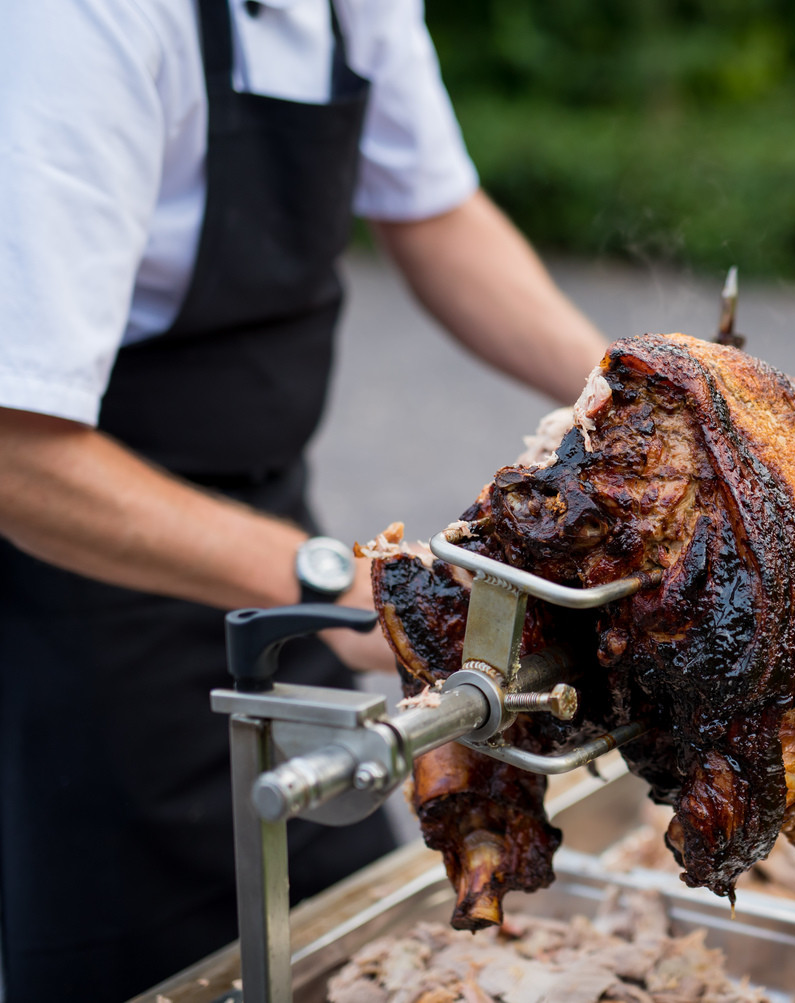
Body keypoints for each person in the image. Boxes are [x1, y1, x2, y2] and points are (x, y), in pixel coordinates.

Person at [0, 2, 608, 999]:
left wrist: (632, 400)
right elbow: (18, 453)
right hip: (88, 574)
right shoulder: (82, 20)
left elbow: (435, 211)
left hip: (274, 526)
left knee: (332, 923)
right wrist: (328, 578)